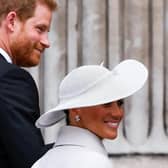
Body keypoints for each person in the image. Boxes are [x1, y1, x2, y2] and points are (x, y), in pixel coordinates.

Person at [31, 59, 148, 168]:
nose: (117, 113)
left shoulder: (42, 162)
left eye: (120, 103)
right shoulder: (94, 162)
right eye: (106, 103)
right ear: (76, 109)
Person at [0, 0, 57, 168]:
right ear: (12, 21)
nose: (46, 42)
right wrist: (81, 138)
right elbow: (33, 163)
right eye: (40, 29)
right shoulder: (10, 78)